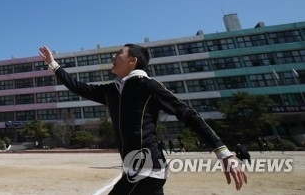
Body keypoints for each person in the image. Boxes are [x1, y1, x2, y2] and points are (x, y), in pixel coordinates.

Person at [39, 44, 247, 194]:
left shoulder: (148, 86)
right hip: (135, 170)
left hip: (147, 170)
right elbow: (78, 87)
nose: (114, 56)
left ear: (132, 61)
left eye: (119, 53)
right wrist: (53, 65)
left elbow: (188, 114)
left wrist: (223, 152)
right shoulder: (112, 90)